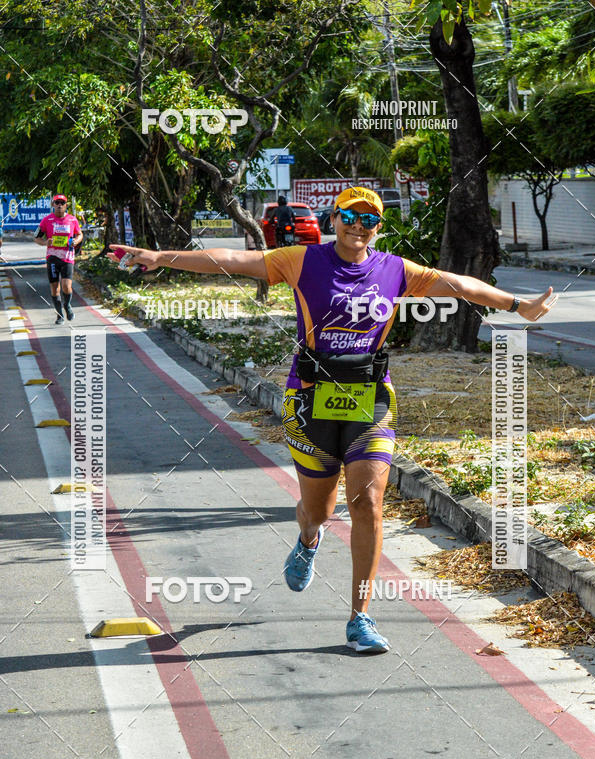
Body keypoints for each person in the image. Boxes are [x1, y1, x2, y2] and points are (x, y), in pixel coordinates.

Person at [108, 185, 556, 655]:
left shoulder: (396, 270)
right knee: (319, 511)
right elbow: (231, 261)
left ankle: (360, 617)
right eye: (350, 216)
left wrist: (514, 306)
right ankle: (308, 538)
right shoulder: (302, 261)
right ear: (333, 219)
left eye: (370, 220)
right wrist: (161, 256)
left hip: (370, 400)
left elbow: (460, 285)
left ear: (378, 228)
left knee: (368, 504)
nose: (359, 227)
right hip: (310, 398)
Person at [34, 194, 83, 323]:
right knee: (55, 287)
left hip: (67, 258)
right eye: (57, 202)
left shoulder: (72, 220)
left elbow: (79, 234)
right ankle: (59, 314)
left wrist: (76, 241)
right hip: (53, 257)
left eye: (62, 203)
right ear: (53, 204)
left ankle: (67, 305)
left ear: (66, 205)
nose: (60, 205)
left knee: (66, 286)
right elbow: (36, 238)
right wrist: (45, 243)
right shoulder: (46, 220)